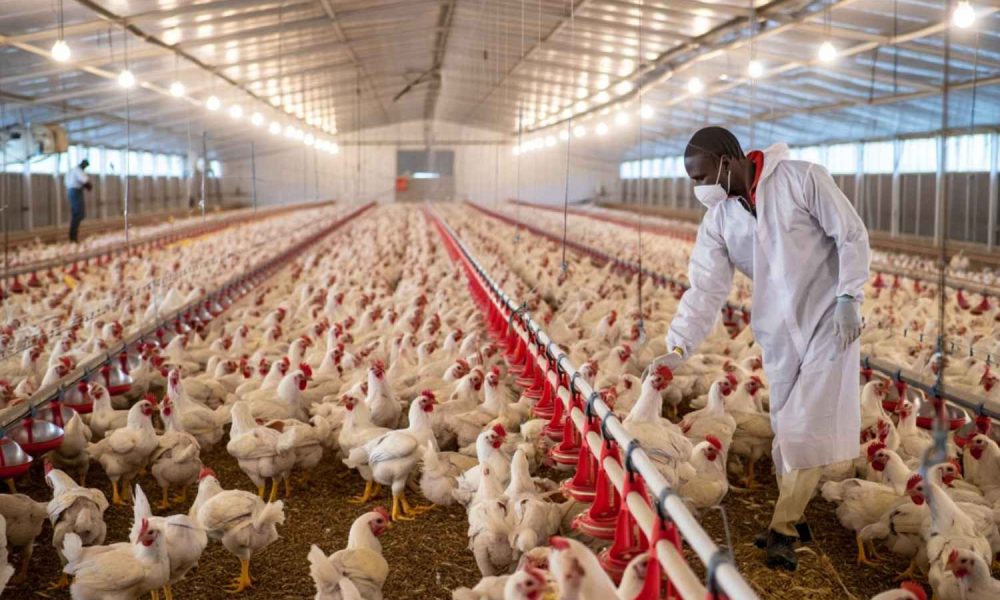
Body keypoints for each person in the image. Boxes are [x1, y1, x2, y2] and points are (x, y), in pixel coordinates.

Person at [652, 126, 870, 571]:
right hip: (778, 331)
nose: (699, 188)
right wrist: (678, 346)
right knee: (784, 426)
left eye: (701, 177)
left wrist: (849, 295)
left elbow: (850, 234)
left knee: (804, 425)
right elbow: (705, 289)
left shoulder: (801, 179)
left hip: (829, 322)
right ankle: (796, 512)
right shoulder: (719, 219)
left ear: (726, 163)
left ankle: (783, 529)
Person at [65, 158, 92, 243]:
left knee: (76, 214)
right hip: (75, 191)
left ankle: (73, 236)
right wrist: (89, 187)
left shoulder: (72, 170)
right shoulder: (78, 170)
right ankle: (73, 237)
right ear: (83, 165)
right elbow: (85, 181)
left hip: (71, 191)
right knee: (78, 214)